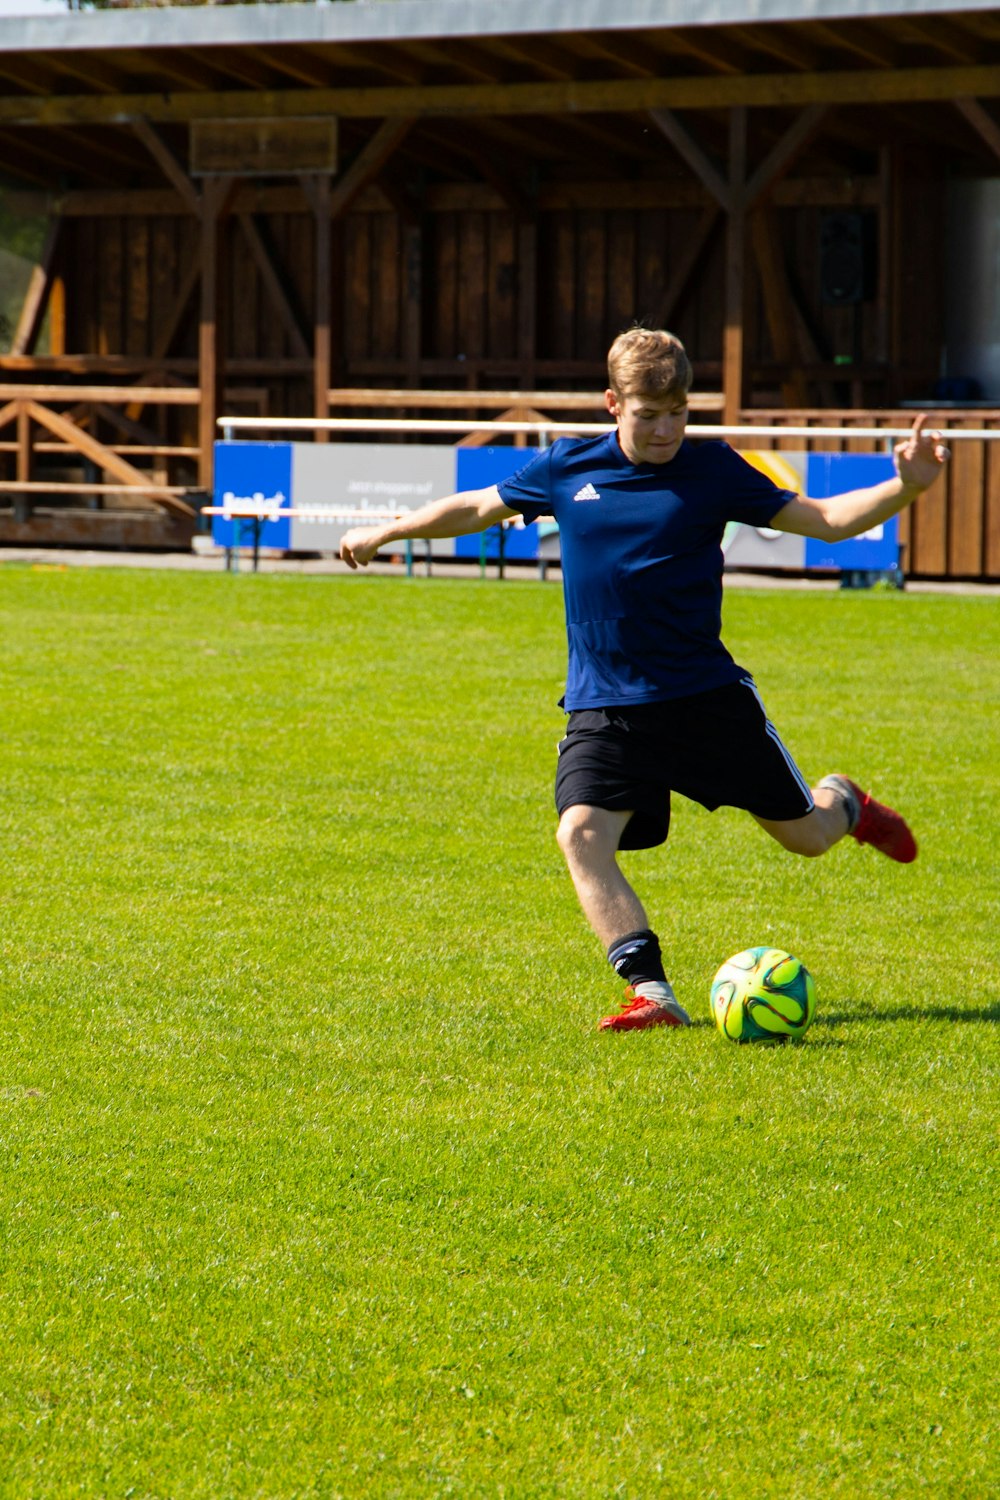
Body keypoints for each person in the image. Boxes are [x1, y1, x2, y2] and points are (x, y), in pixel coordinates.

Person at [340, 328, 949, 1032]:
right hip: (606, 707)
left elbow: (828, 522)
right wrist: (388, 531)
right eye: (647, 413)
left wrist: (907, 485)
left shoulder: (714, 470)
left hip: (705, 702)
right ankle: (653, 995)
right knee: (581, 837)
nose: (664, 429)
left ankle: (844, 802)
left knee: (807, 838)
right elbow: (476, 507)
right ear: (612, 404)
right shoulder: (567, 469)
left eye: (677, 412)